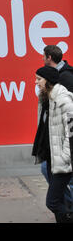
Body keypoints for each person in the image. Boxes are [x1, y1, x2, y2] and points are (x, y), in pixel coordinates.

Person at [32, 66, 73, 223]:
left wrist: (64, 158)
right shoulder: (46, 101)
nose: (36, 82)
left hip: (62, 161)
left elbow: (71, 134)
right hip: (51, 158)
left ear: (48, 81)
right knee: (59, 201)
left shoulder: (64, 101)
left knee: (52, 202)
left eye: (39, 79)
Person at [41, 45, 73, 209]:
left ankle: (68, 209)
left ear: (49, 58)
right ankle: (67, 208)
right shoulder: (55, 82)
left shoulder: (65, 78)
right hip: (57, 143)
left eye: (39, 79)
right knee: (47, 170)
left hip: (64, 146)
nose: (37, 82)